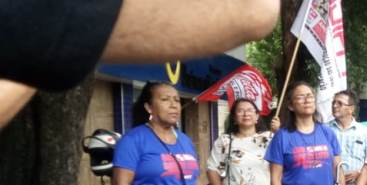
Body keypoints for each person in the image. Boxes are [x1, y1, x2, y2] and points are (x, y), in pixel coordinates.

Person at [0, 0, 281, 127]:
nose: (174, 105)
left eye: (175, 99)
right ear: (147, 106)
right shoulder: (136, 142)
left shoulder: (183, 140)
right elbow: (254, 11)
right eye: (166, 99)